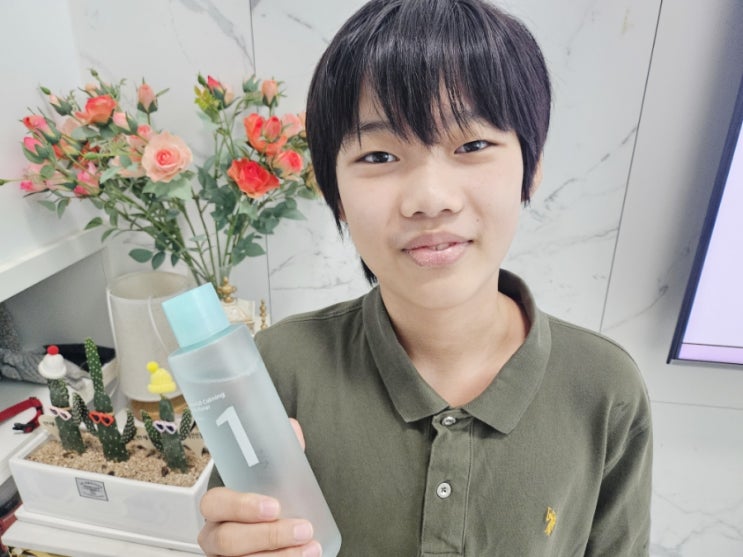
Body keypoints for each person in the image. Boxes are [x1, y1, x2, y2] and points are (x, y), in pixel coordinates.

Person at [197, 0, 653, 555]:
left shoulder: (605, 388)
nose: (431, 199)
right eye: (379, 155)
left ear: (531, 167)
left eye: (473, 145)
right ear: (333, 191)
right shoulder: (277, 369)